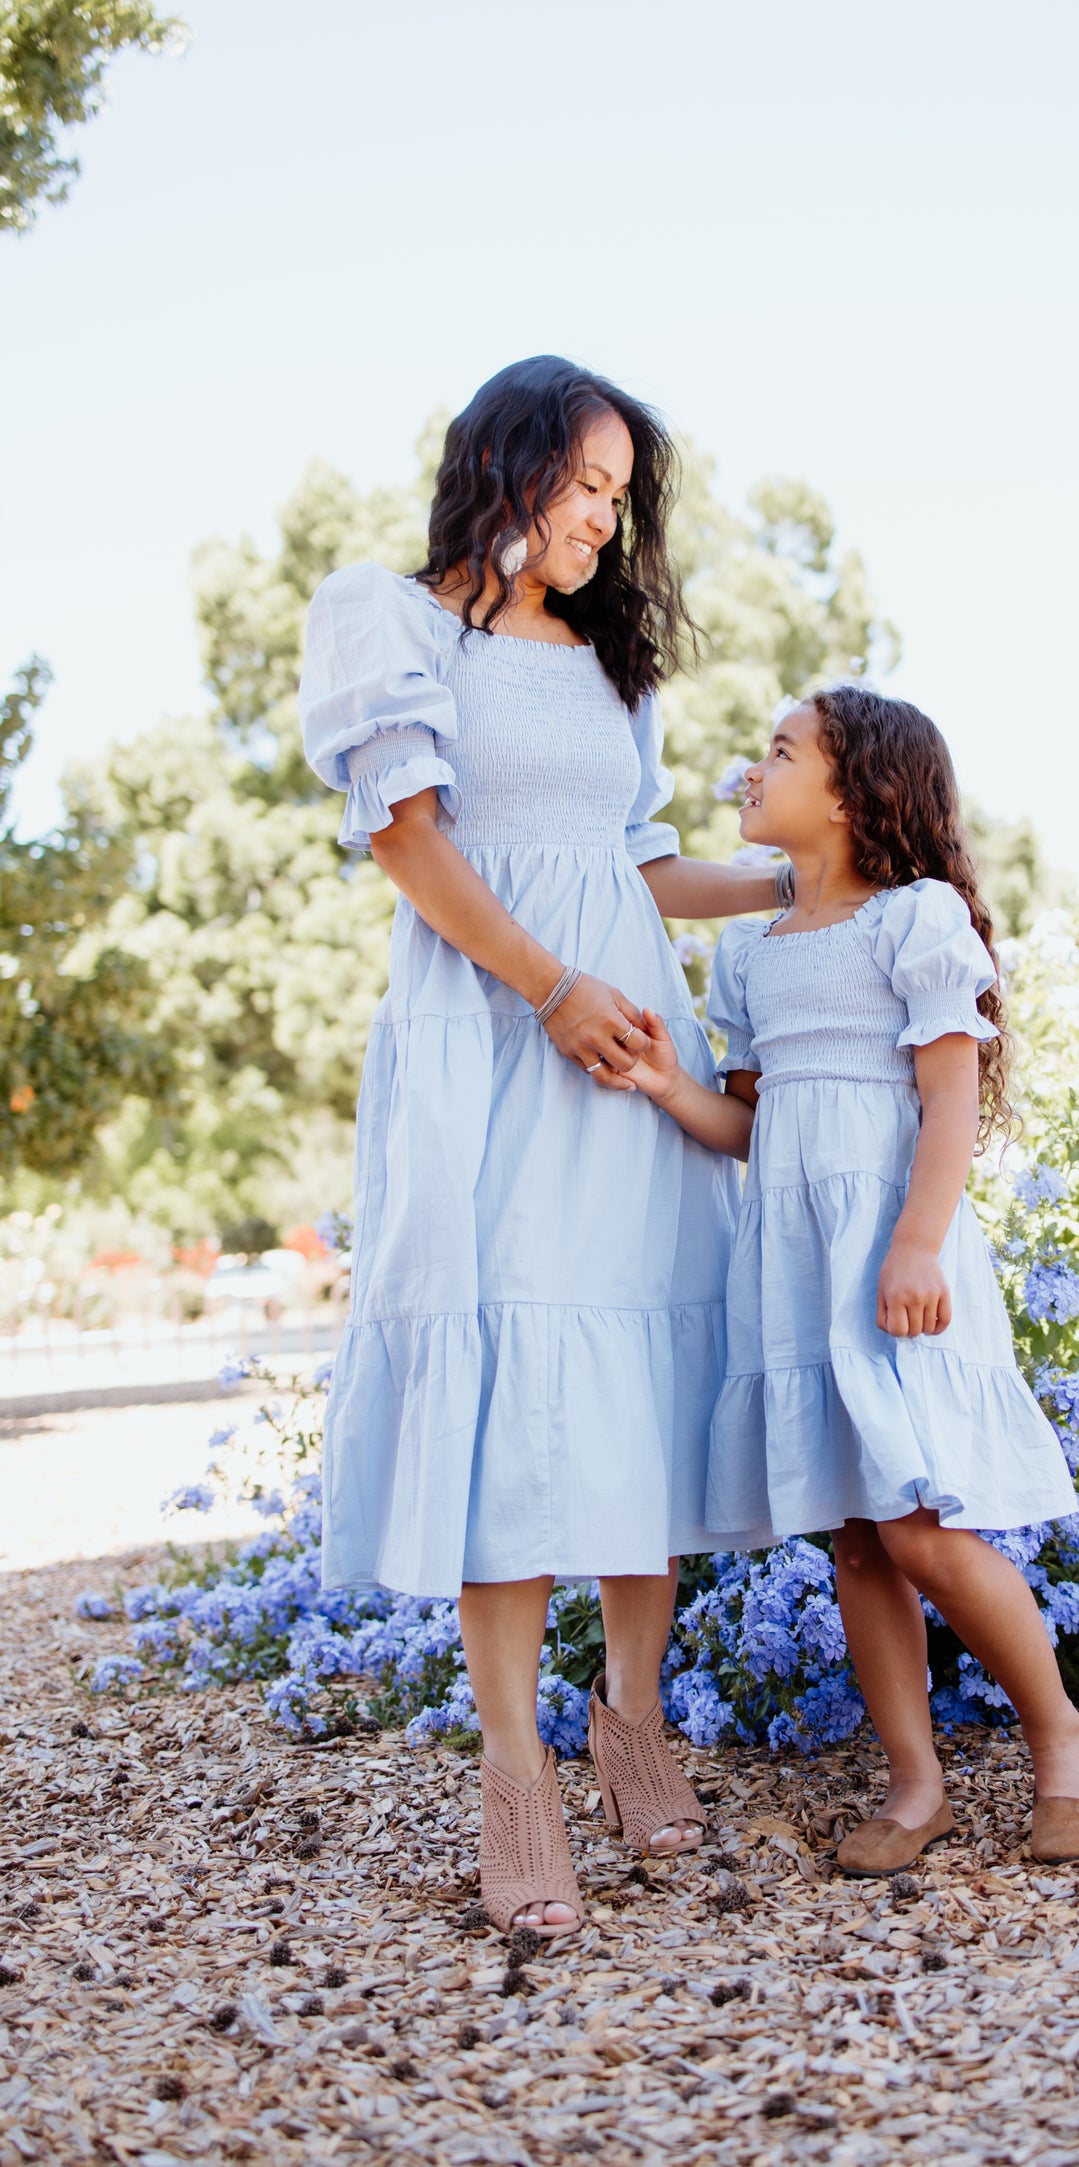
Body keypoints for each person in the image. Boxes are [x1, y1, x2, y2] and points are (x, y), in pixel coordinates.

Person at [298, 356, 783, 1937]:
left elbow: (637, 864)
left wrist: (815, 883)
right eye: (585, 482)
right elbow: (409, 839)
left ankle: (629, 1714)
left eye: (618, 494)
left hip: (632, 1039)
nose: (602, 516)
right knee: (510, 1381)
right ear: (505, 465)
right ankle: (514, 1772)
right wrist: (551, 989)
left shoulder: (612, 666)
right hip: (491, 1040)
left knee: (638, 1371)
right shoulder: (390, 619)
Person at [614, 684, 1079, 1868]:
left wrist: (913, 1244)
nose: (751, 769)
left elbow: (947, 1106)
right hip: (794, 1265)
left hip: (895, 1257)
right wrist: (661, 1085)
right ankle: (913, 1784)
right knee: (853, 1537)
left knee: (921, 1525)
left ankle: (1061, 1739)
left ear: (848, 793)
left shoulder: (913, 921)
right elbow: (754, 1128)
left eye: (778, 753)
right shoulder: (749, 953)